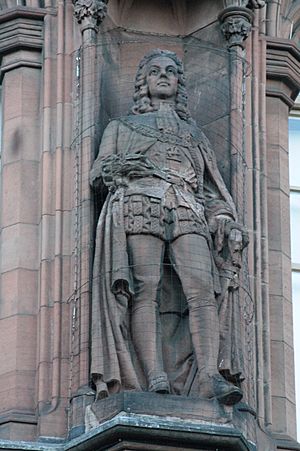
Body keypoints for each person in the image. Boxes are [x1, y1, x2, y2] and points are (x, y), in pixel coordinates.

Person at [90, 49, 247, 405]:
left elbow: (211, 192)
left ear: (179, 83)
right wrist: (120, 167)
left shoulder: (194, 134)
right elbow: (97, 174)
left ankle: (209, 376)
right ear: (143, 81)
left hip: (187, 207)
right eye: (155, 71)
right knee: (146, 287)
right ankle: (154, 376)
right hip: (140, 203)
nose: (163, 76)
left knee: (202, 288)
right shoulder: (121, 127)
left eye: (172, 71)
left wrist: (223, 218)